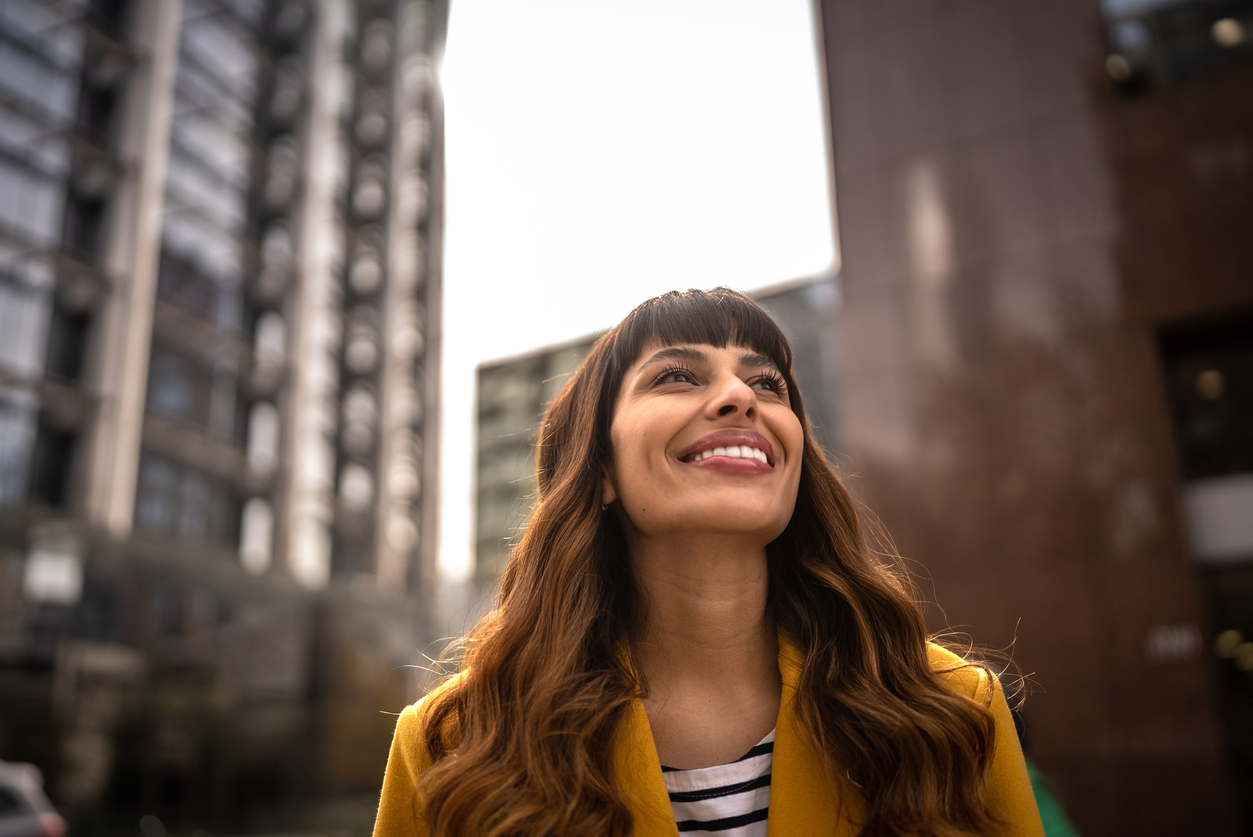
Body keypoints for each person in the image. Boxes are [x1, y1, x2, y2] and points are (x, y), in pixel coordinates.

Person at [374, 288, 1044, 837]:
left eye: (766, 382)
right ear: (600, 468)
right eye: (676, 375)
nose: (740, 396)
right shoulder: (450, 745)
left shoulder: (950, 709)